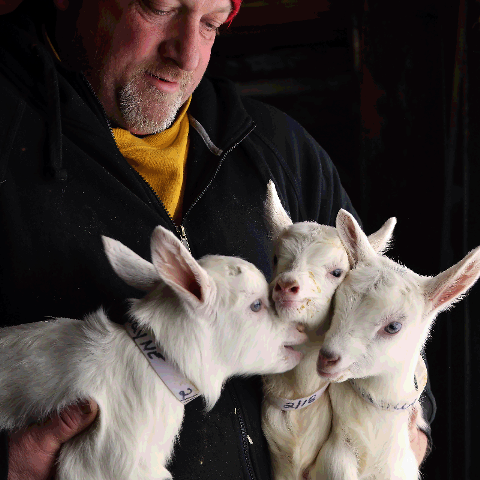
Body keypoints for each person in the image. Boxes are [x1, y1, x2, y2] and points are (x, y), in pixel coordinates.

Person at [0, 0, 434, 478]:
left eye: (211, 23)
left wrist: (404, 435)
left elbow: (392, 320)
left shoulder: (278, 151)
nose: (186, 55)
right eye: (159, 7)